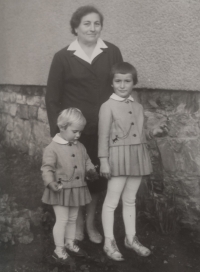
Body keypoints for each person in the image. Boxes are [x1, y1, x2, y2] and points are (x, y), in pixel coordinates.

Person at [45, 5, 123, 244]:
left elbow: (120, 86)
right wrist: (60, 133)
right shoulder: (63, 57)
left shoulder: (111, 52)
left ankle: (90, 224)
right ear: (75, 27)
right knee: (75, 177)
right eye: (86, 23)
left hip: (104, 130)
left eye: (96, 23)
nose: (92, 28)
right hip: (74, 133)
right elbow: (52, 98)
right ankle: (76, 222)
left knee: (98, 179)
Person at [98, 62, 168, 261]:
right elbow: (102, 136)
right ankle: (109, 241)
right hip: (117, 158)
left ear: (133, 83)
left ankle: (130, 238)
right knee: (111, 201)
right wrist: (104, 160)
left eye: (127, 81)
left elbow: (140, 132)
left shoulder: (137, 106)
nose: (122, 85)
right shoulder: (107, 106)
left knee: (130, 199)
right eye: (117, 81)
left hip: (137, 156)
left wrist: (152, 132)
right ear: (111, 83)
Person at [41, 108, 98, 264]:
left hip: (77, 188)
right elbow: (47, 168)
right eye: (75, 131)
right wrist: (50, 182)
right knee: (62, 219)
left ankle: (70, 243)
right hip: (60, 190)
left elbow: (86, 160)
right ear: (62, 127)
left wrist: (91, 169)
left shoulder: (80, 146)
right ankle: (58, 250)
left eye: (80, 132)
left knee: (73, 218)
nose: (78, 135)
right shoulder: (52, 148)